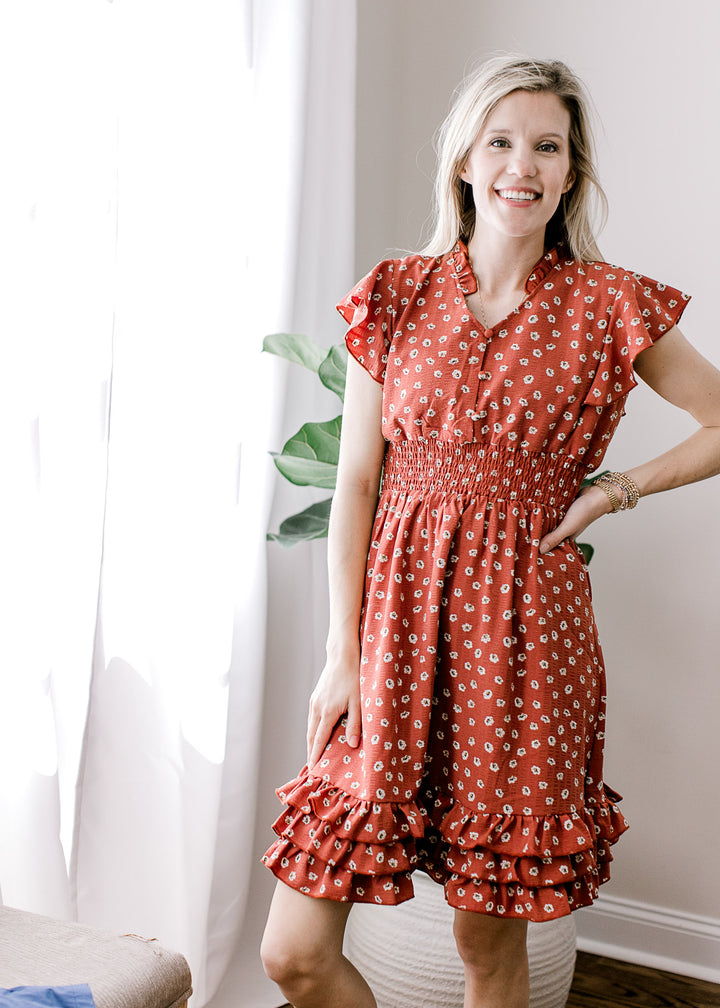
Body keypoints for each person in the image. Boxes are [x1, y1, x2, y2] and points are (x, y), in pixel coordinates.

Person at [259, 54, 720, 1008]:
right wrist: (341, 653)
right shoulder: (395, 294)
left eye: (547, 146)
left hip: (524, 647)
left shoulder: (610, 303)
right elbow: (355, 484)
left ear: (571, 169)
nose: (524, 164)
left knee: (487, 951)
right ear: (466, 161)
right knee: (292, 954)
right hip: (391, 638)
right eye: (501, 141)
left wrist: (614, 490)